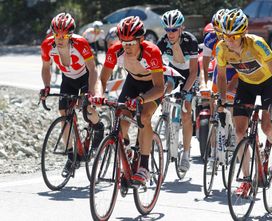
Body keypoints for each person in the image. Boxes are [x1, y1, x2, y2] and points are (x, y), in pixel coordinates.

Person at [216, 8, 272, 196]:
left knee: (267, 128)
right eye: (226, 36)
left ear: (244, 33)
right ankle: (247, 180)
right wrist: (222, 99)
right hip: (246, 85)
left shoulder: (257, 44)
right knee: (240, 132)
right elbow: (222, 77)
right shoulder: (221, 48)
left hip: (267, 83)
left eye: (234, 36)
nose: (229, 41)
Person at [95, 16, 165, 185]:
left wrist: (141, 99)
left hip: (151, 87)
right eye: (124, 43)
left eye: (131, 43)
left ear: (141, 40)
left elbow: (159, 88)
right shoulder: (115, 50)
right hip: (132, 83)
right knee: (121, 121)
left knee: (144, 117)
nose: (127, 47)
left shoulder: (152, 52)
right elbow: (102, 79)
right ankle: (127, 150)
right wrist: (99, 95)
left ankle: (144, 166)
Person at [40, 12, 104, 178]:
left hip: (84, 77)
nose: (60, 39)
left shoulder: (80, 43)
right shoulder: (47, 45)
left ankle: (98, 127)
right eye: (57, 35)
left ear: (70, 35)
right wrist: (46, 87)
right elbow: (46, 67)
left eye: (64, 35)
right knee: (64, 113)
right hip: (68, 79)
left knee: (87, 109)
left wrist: (90, 93)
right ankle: (71, 156)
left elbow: (92, 69)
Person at [157, 9, 198, 172]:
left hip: (190, 74)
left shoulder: (191, 41)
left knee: (186, 112)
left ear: (182, 28)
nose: (170, 33)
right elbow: (157, 67)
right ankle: (166, 122)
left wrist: (185, 92)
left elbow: (194, 72)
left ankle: (186, 154)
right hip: (174, 72)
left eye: (174, 29)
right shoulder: (162, 41)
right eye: (167, 30)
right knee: (164, 91)